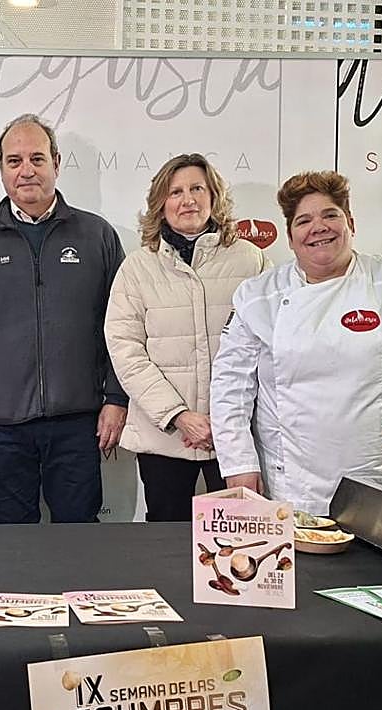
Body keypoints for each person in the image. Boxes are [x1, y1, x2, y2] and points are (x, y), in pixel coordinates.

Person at [210, 170, 382, 516]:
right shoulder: (258, 296)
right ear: (290, 238)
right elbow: (229, 386)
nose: (318, 227)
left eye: (330, 215)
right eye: (304, 221)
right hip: (290, 480)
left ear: (350, 223)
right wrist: (238, 464)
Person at [0, 113, 128, 524]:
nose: (26, 171)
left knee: (79, 541)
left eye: (37, 159)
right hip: (1, 426)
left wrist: (115, 398)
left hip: (78, 423)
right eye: (14, 161)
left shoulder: (97, 237)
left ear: (56, 163)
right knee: (12, 546)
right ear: (1, 169)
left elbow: (123, 328)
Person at [104, 153, 270, 522]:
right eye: (175, 191)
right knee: (165, 540)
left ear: (214, 196)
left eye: (197, 188)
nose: (187, 199)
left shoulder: (251, 261)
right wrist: (179, 415)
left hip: (234, 437)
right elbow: (125, 348)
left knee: (241, 539)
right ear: (161, 204)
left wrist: (224, 419)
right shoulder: (137, 267)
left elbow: (269, 346)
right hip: (163, 436)